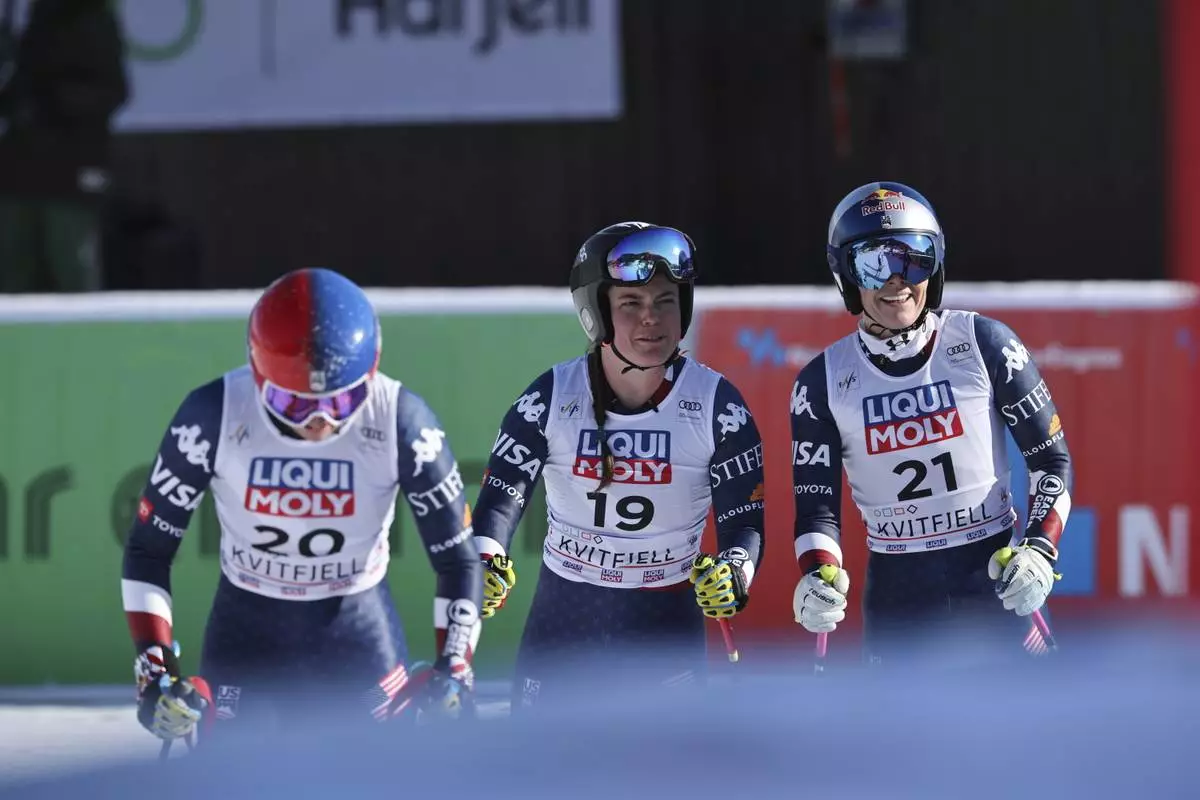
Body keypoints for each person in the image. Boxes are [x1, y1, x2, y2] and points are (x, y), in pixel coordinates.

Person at [121, 268, 482, 745]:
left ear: (371, 373)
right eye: (293, 405)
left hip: (355, 633)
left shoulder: (401, 421)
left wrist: (454, 667)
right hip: (247, 635)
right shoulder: (214, 414)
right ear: (257, 375)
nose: (318, 422)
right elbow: (149, 550)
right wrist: (154, 669)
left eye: (343, 401)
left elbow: (458, 558)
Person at [471, 222, 766, 710]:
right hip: (565, 621)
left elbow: (745, 523)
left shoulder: (718, 405)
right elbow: (501, 498)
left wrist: (737, 570)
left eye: (666, 300)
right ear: (598, 312)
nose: (651, 319)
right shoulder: (549, 397)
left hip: (663, 624)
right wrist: (483, 556)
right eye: (631, 303)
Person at [791, 182, 1070, 665]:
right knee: (902, 741)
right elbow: (817, 512)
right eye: (873, 263)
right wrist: (817, 575)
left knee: (1027, 737)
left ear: (935, 265)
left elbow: (1051, 460)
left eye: (913, 258)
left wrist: (1039, 551)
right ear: (846, 275)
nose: (895, 280)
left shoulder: (985, 341)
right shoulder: (821, 381)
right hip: (901, 600)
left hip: (996, 583)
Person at [0, 0, 128, 292]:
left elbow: (113, 91)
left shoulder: (90, 18)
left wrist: (48, 103)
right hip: (19, 167)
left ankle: (89, 338)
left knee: (72, 270)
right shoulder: (28, 17)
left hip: (70, 169)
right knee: (12, 272)